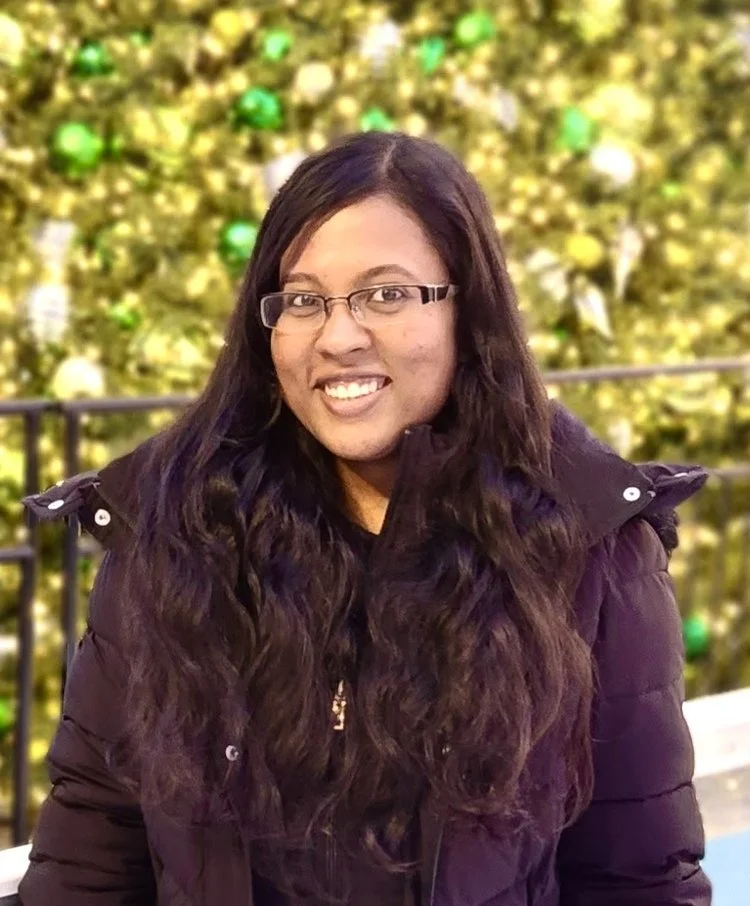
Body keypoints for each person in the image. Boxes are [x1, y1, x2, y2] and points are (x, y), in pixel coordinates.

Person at [19, 132, 711, 906]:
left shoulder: (587, 545)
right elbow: (88, 859)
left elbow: (637, 880)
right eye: (304, 300)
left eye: (386, 294)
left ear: (466, 310)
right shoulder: (172, 534)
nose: (338, 336)